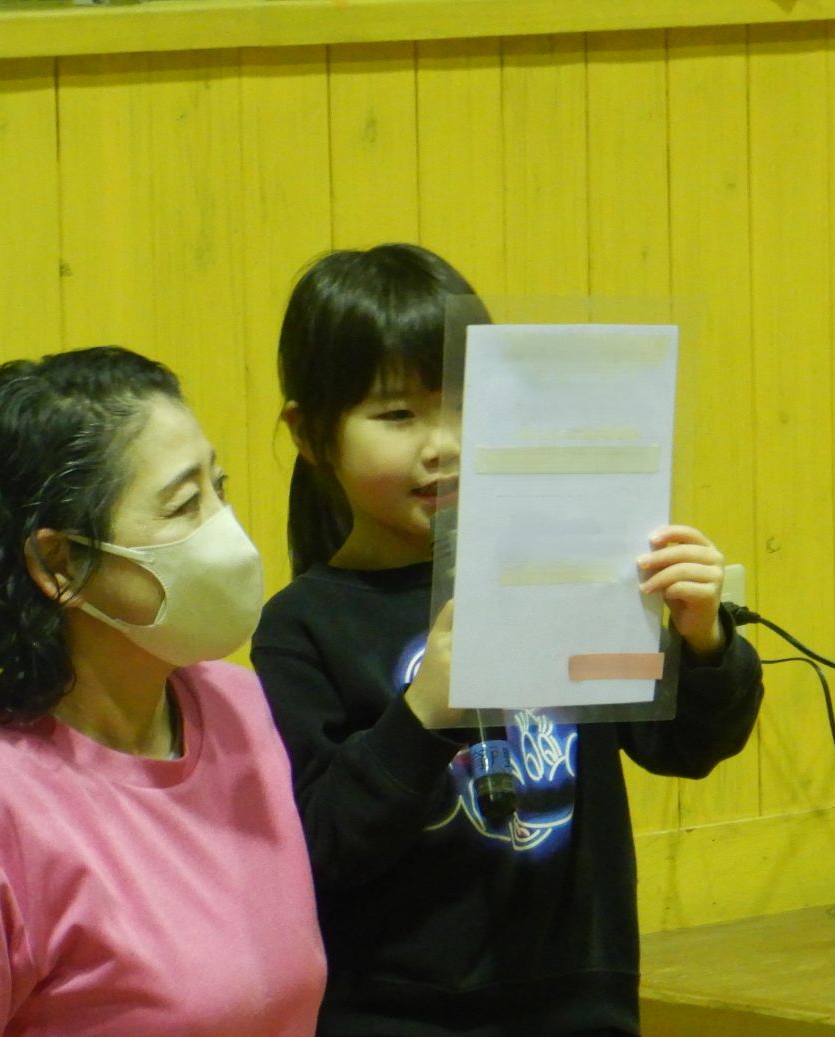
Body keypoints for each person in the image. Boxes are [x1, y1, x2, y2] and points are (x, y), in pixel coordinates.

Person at [250, 244, 765, 1035]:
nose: (444, 443)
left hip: (578, 1001)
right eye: (398, 415)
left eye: (467, 403)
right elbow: (320, 847)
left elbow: (686, 744)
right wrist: (421, 714)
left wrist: (703, 640)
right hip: (396, 1015)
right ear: (311, 434)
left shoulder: (560, 573)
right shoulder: (301, 628)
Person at [0, 346, 326, 1036]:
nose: (226, 531)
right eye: (184, 505)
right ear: (59, 561)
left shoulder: (236, 706)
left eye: (219, 487)